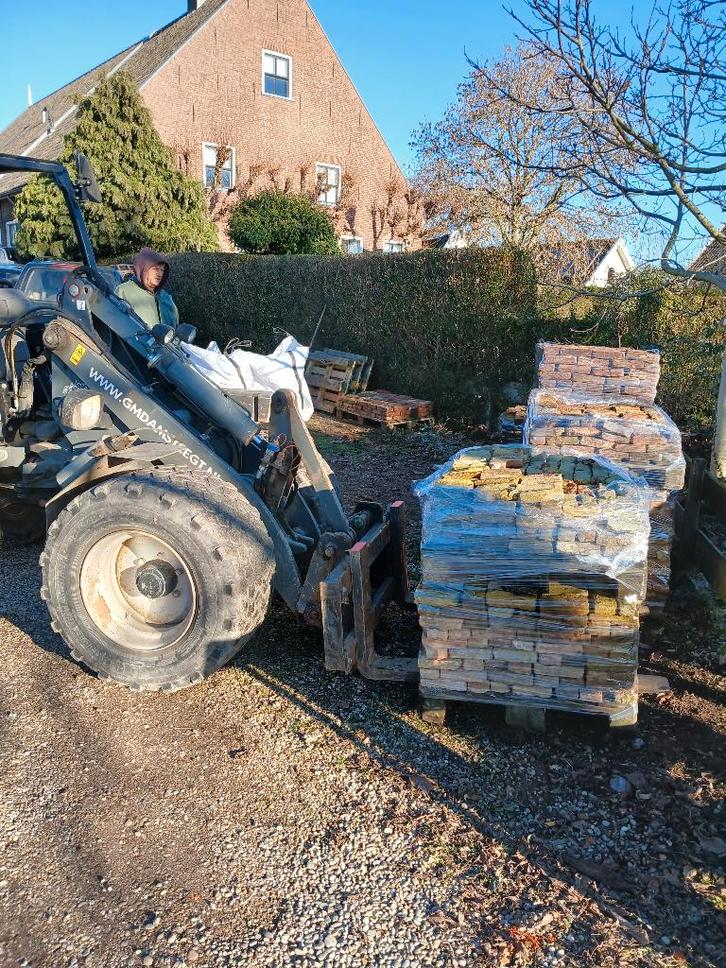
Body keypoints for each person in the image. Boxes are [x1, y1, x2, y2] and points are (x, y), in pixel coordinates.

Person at [115, 247, 179, 331]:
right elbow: (116, 323)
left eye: (162, 270)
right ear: (143, 268)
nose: (160, 274)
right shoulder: (123, 291)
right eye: (156, 269)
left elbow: (176, 326)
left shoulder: (165, 297)